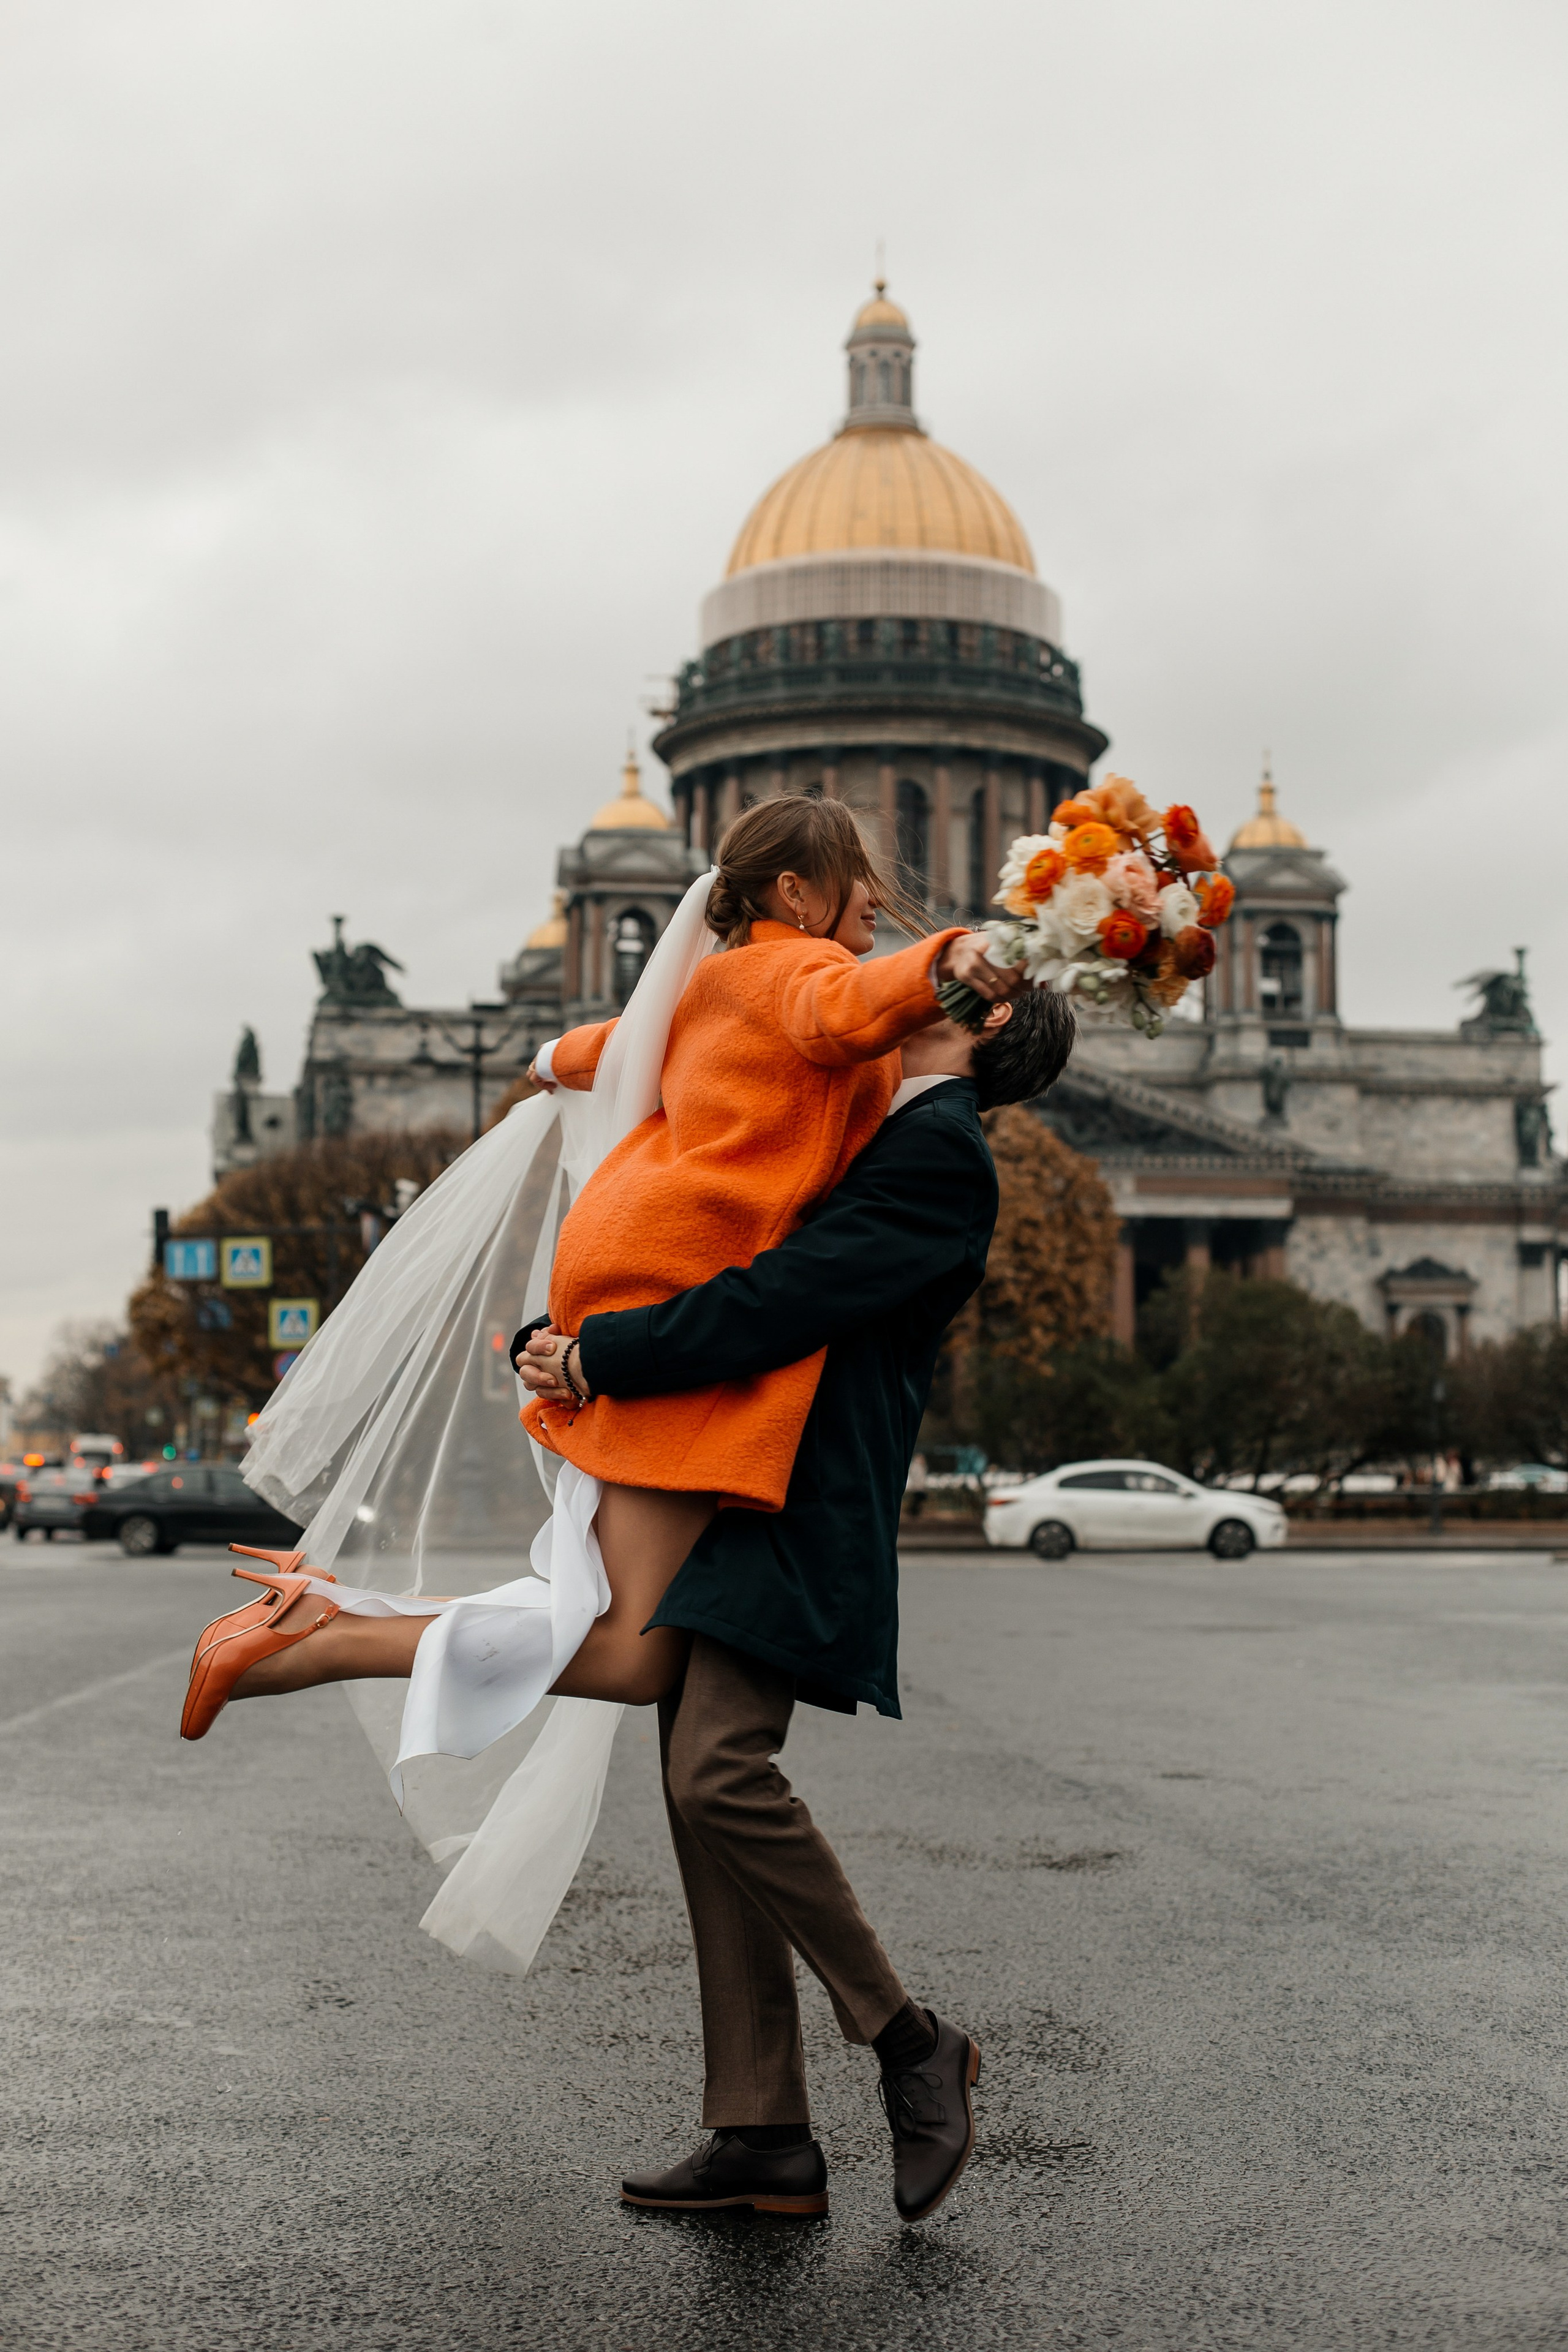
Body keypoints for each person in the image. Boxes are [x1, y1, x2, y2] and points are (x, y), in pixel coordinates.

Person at [179, 797, 1015, 1740]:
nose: (876, 894)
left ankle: (330, 1624)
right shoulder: (804, 974)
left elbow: (620, 1047)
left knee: (639, 1648)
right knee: (627, 1652)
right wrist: (942, 961)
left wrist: (547, 1057)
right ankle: (324, 1634)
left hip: (627, 1256)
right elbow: (845, 1004)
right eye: (859, 873)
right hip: (674, 1282)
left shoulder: (712, 987)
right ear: (796, 892)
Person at [517, 985, 1076, 2223]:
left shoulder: (940, 1154)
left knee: (718, 1771)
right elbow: (716, 1242)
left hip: (798, 1496)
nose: (906, 983)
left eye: (949, 987)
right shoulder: (864, 1108)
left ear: (980, 1033)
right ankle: (760, 2129)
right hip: (722, 1478)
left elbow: (783, 1297)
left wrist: (604, 1355)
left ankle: (907, 2038)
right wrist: (572, 1328)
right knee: (694, 1794)